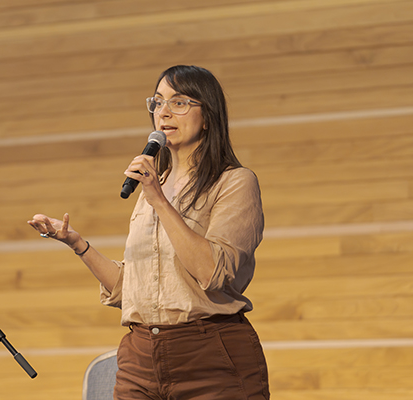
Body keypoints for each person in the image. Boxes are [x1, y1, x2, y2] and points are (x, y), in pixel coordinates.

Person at [28, 65, 270, 400]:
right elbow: (134, 291)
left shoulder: (233, 182)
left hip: (211, 358)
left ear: (209, 115)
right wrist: (77, 244)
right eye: (157, 102)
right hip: (140, 358)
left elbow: (213, 272)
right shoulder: (151, 190)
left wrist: (158, 200)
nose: (164, 112)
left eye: (180, 102)